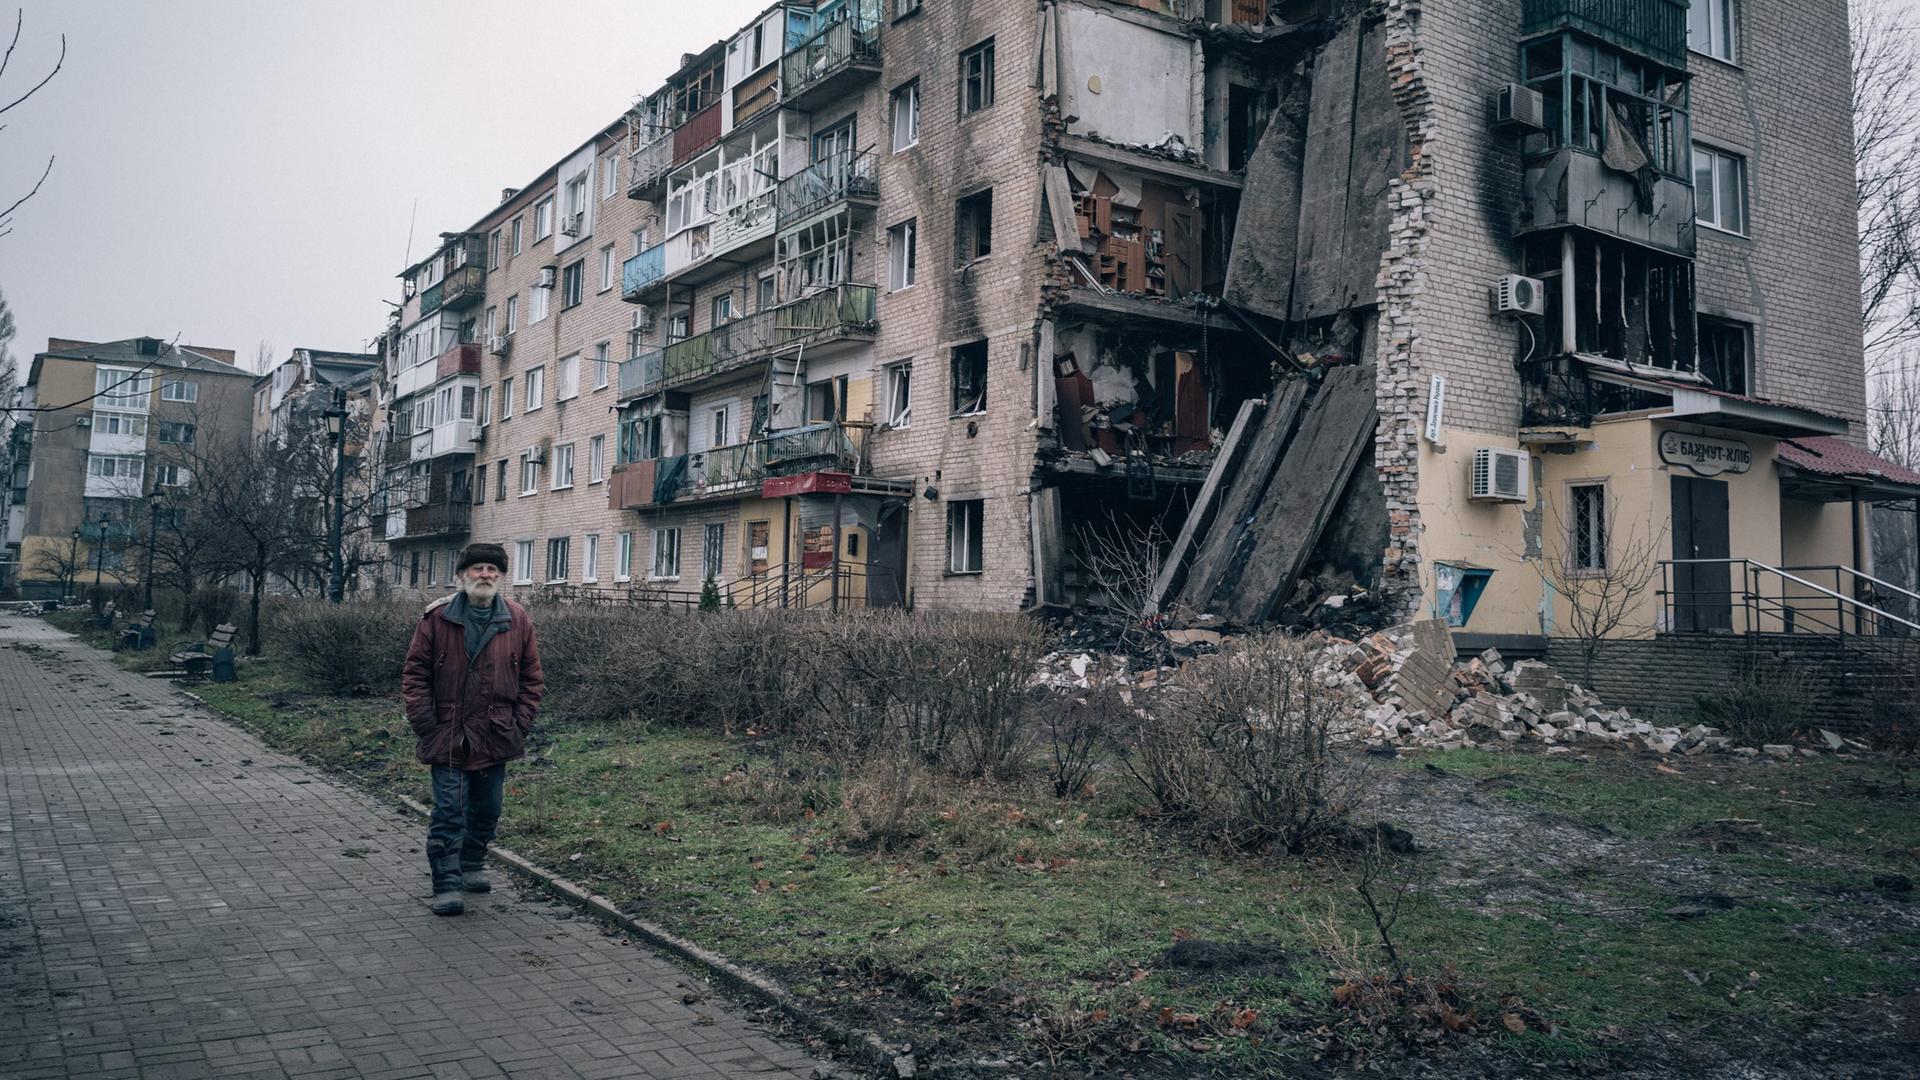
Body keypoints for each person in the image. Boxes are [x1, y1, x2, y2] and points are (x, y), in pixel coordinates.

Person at [400, 542, 544, 916]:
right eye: (478, 569)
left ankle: (472, 862)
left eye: (492, 570)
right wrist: (426, 725)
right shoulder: (438, 618)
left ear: (501, 577)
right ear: (463, 575)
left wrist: (520, 724)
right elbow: (415, 675)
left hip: (497, 733)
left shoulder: (517, 619)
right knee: (450, 810)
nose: (485, 575)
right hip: (448, 731)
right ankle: (446, 884)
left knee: (488, 809)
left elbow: (532, 679)